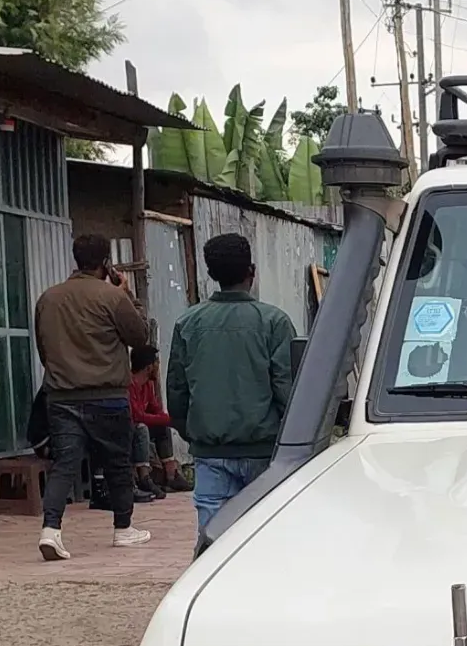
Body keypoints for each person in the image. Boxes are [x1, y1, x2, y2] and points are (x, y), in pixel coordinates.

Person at [32, 234, 154, 560]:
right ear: (105, 263)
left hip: (60, 396)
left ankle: (51, 530)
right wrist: (128, 294)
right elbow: (140, 336)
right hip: (107, 395)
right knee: (117, 462)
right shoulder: (112, 297)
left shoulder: (48, 298)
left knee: (65, 464)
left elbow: (44, 350)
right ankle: (123, 529)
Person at [168, 234, 294, 534]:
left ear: (210, 274)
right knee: (267, 532)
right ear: (252, 272)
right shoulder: (274, 322)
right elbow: (288, 389)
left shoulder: (188, 323)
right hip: (264, 451)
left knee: (213, 538)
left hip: (211, 452)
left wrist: (194, 434)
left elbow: (177, 391)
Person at [129, 346, 186, 492]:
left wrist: (169, 420)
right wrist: (168, 419)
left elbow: (156, 410)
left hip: (142, 424)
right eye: (156, 363)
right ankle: (144, 478)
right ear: (148, 367)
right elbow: (136, 416)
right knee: (141, 428)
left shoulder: (148, 385)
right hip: (129, 427)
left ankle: (171, 475)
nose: (158, 367)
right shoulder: (130, 384)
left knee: (163, 429)